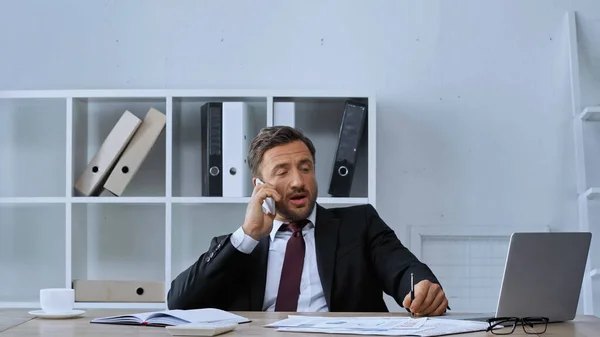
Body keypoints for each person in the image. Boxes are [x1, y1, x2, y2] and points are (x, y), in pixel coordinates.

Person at [167, 126, 448, 316]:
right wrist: (248, 235)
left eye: (305, 168)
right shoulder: (240, 246)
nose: (298, 182)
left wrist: (421, 287)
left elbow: (402, 268)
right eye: (282, 171)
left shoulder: (360, 224)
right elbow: (180, 303)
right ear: (259, 185)